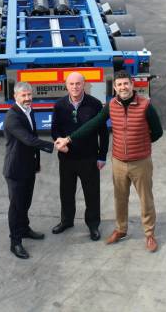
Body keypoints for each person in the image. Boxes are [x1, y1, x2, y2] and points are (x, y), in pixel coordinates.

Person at [55, 70, 163, 252]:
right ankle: (121, 230)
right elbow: (93, 124)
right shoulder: (111, 105)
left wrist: (141, 144)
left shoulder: (145, 106)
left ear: (132, 85)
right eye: (119, 84)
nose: (123, 87)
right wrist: (70, 139)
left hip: (140, 162)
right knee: (120, 198)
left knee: (146, 199)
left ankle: (149, 234)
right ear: (114, 87)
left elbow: (157, 132)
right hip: (119, 162)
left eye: (126, 84)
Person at [3, 81, 63, 260]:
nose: (28, 98)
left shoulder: (29, 111)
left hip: (28, 166)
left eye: (29, 95)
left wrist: (36, 163)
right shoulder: (12, 117)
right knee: (16, 206)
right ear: (15, 96)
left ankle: (25, 229)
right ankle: (15, 242)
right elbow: (28, 139)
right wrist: (54, 146)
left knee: (26, 202)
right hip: (15, 170)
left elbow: (33, 136)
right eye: (23, 95)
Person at [50, 72, 109, 241]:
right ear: (66, 85)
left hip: (89, 158)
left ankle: (93, 225)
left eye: (78, 83)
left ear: (84, 84)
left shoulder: (95, 104)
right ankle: (66, 221)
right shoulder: (60, 105)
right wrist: (61, 147)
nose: (75, 87)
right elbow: (55, 130)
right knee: (66, 192)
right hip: (67, 158)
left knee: (92, 193)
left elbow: (103, 133)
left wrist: (102, 156)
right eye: (71, 84)